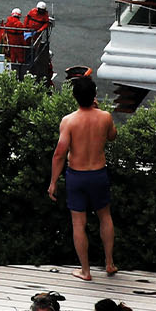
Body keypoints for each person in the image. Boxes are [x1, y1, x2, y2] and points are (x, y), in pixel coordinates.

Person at [49, 71, 117, 279]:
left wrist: (53, 182)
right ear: (94, 95)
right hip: (98, 173)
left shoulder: (69, 121)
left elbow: (60, 153)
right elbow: (112, 136)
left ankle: (85, 271)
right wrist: (99, 110)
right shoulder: (105, 117)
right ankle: (109, 263)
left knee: (79, 223)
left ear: (75, 96)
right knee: (105, 216)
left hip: (77, 175)